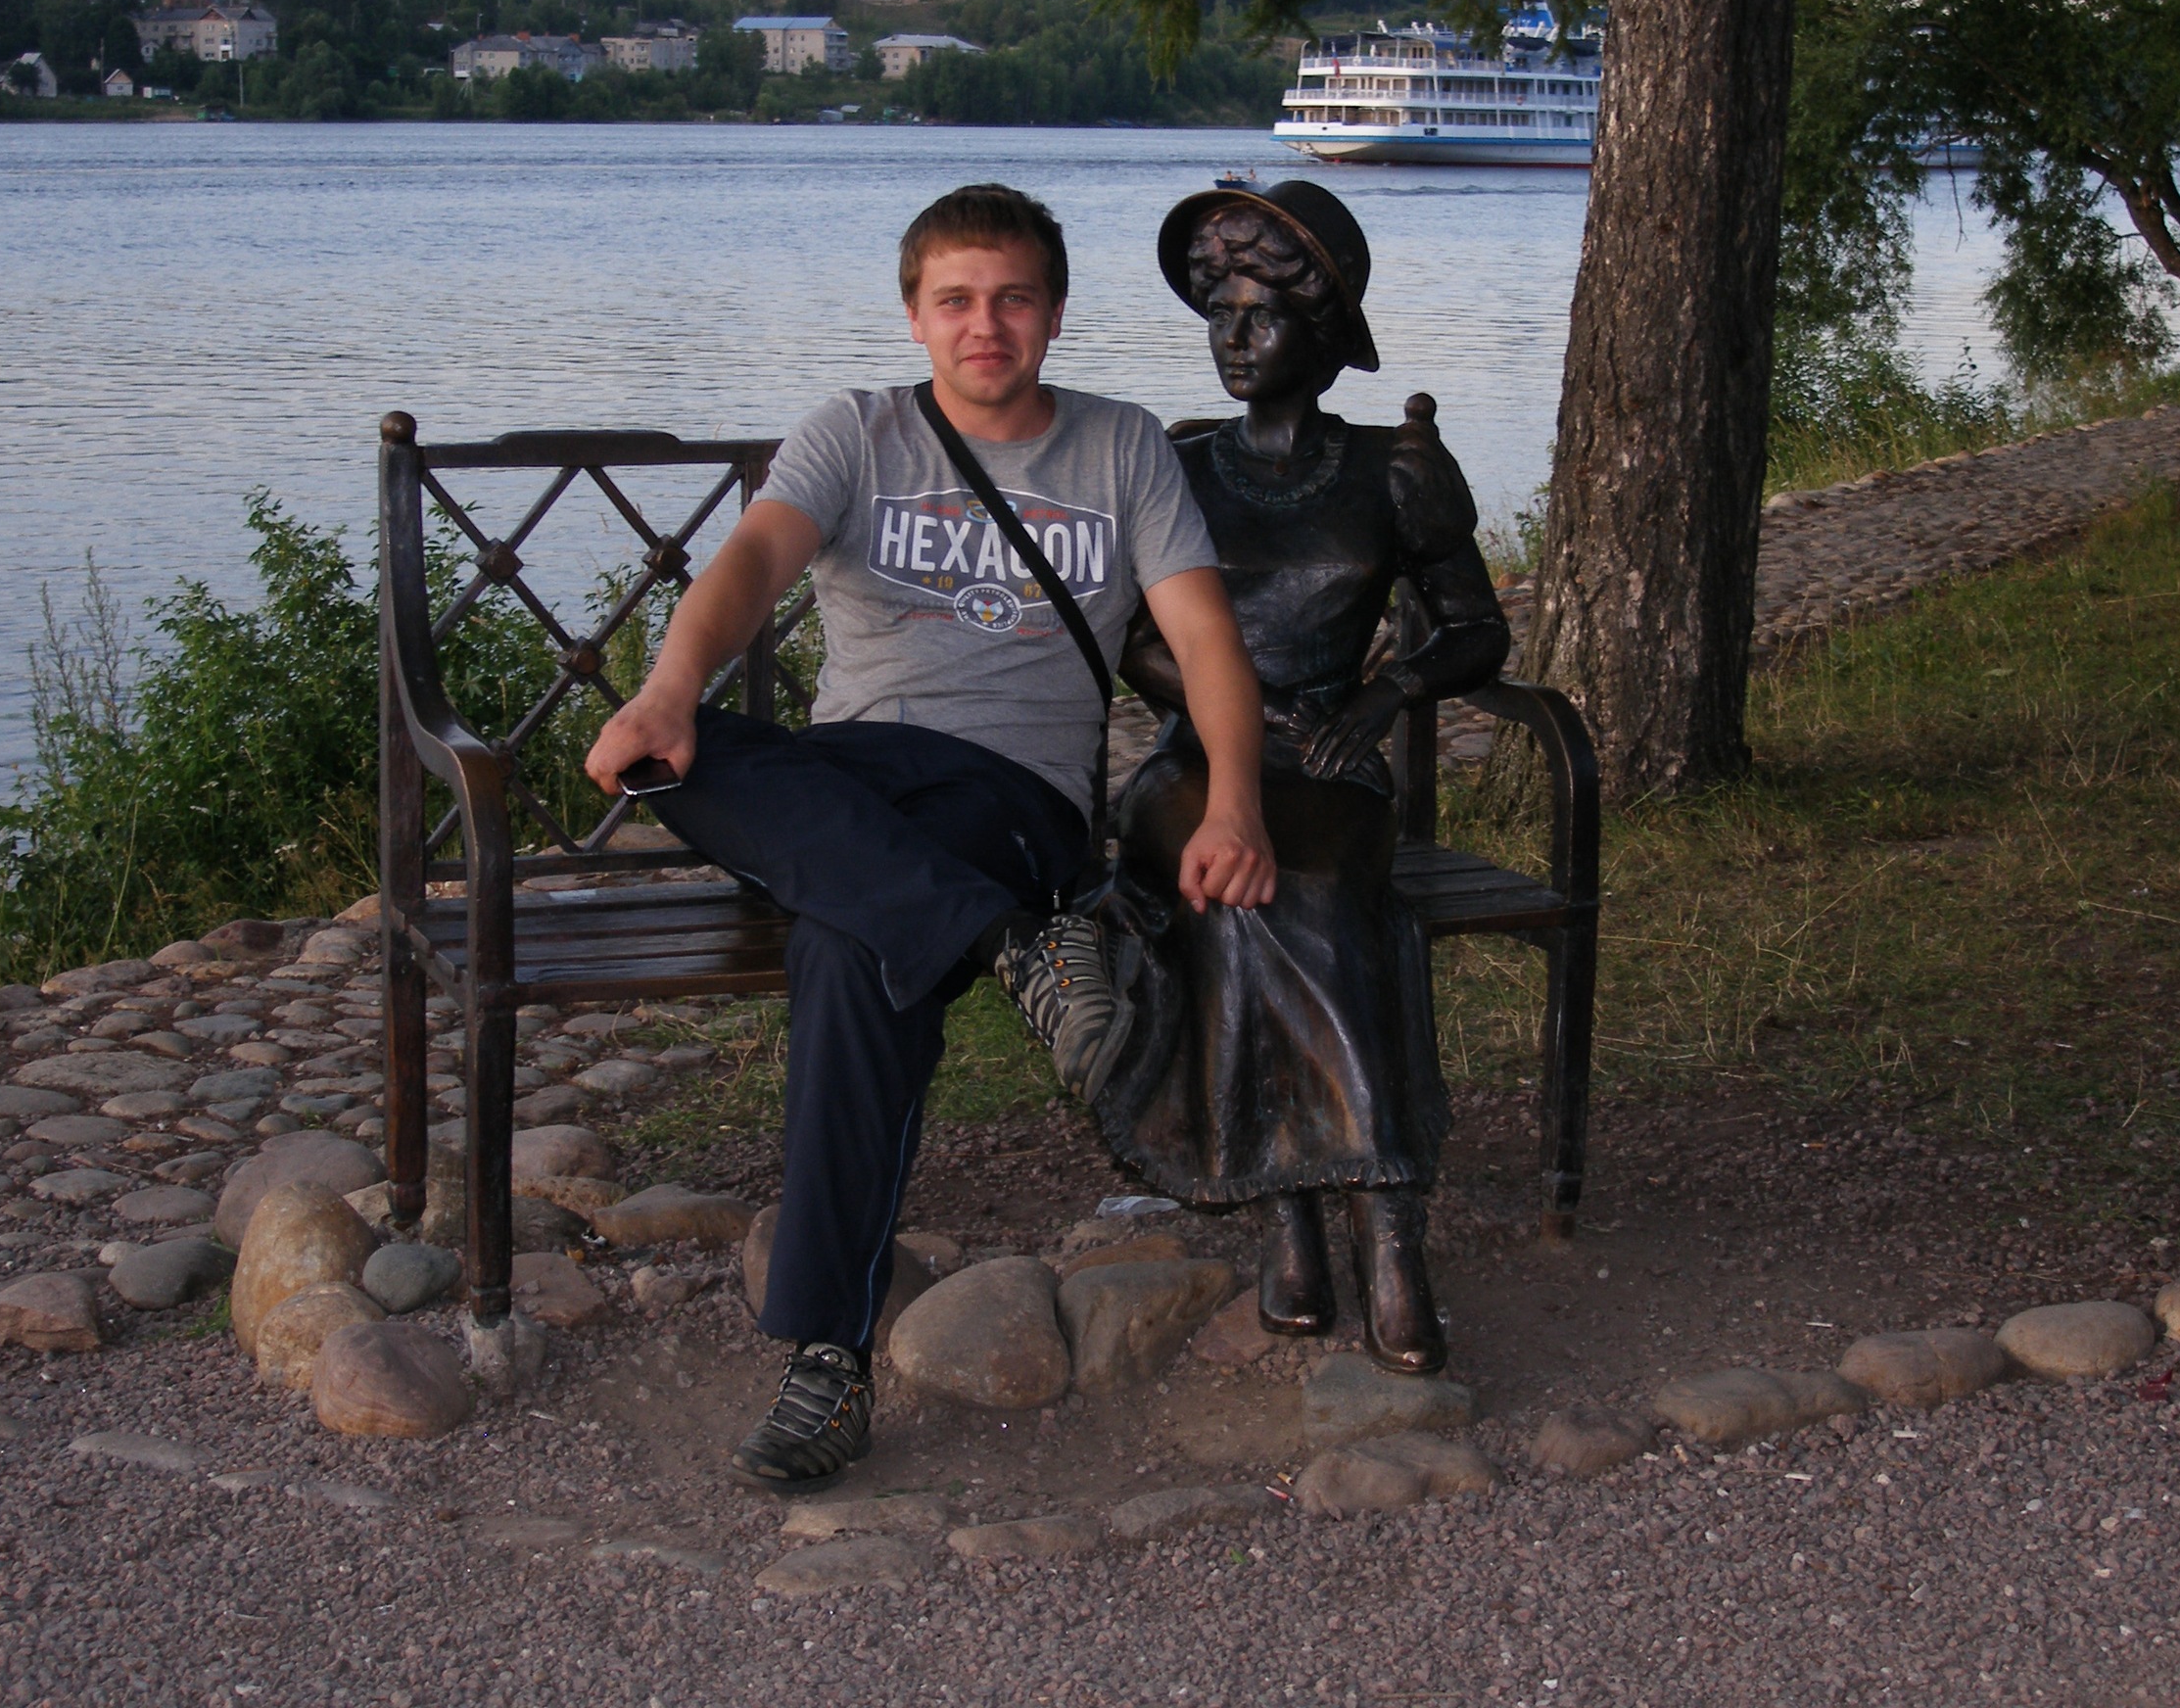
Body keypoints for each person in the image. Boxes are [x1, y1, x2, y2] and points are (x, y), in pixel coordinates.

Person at [584, 184, 1277, 1490]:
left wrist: (1234, 799)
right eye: (955, 300)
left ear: (1054, 313)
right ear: (914, 316)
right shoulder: (854, 431)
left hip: (1008, 796)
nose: (984, 325)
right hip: (853, 776)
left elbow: (1203, 641)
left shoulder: (1122, 448)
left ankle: (825, 1358)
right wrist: (671, 686)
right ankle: (1015, 949)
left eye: (1012, 298)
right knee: (671, 755)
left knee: (848, 946)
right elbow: (752, 565)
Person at [1092, 181, 1509, 1375]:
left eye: (1261, 317)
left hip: (1331, 765)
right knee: (1236, 878)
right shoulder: (1176, 466)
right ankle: (1301, 1211)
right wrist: (1237, 704)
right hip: (1192, 766)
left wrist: (1382, 696)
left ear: (1319, 334)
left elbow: (1475, 630)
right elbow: (1129, 638)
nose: (1232, 339)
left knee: (1310, 880)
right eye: (1218, 314)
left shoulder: (1396, 468)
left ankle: (1376, 1227)